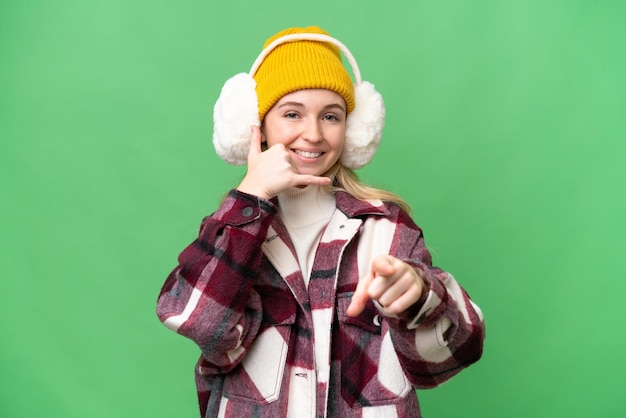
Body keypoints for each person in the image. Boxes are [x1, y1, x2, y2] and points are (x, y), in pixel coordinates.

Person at [156, 25, 485, 418]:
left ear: (353, 130)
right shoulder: (233, 231)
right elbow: (198, 322)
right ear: (255, 126)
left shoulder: (386, 228)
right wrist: (250, 198)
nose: (312, 134)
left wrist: (419, 297)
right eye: (292, 113)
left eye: (330, 116)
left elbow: (448, 358)